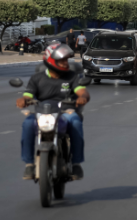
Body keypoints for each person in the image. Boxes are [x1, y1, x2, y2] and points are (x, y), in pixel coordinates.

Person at [16, 43, 90, 180]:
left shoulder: (72, 77)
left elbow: (82, 91)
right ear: (51, 60)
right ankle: (29, 165)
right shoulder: (37, 78)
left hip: (65, 112)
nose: (65, 63)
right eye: (61, 60)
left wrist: (83, 98)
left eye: (66, 60)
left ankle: (76, 164)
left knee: (75, 122)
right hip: (42, 113)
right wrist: (24, 100)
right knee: (27, 124)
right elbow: (29, 95)